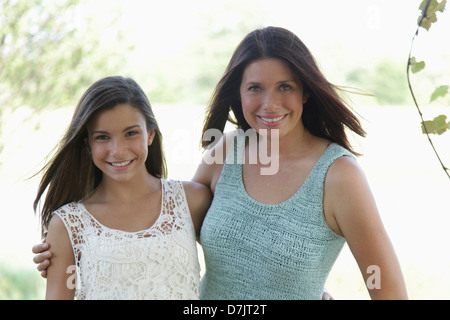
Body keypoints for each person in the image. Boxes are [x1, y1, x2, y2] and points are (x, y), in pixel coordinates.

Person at [33, 26, 408, 299]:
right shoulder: (226, 152)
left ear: (306, 91)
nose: (270, 104)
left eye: (285, 87)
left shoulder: (338, 176)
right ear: (238, 94)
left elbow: (385, 285)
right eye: (255, 88)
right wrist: (78, 242)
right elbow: (165, 225)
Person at [33, 76, 211, 299]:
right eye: (103, 137)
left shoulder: (191, 201)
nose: (117, 150)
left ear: (150, 135)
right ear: (88, 144)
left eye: (131, 133)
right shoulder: (68, 224)